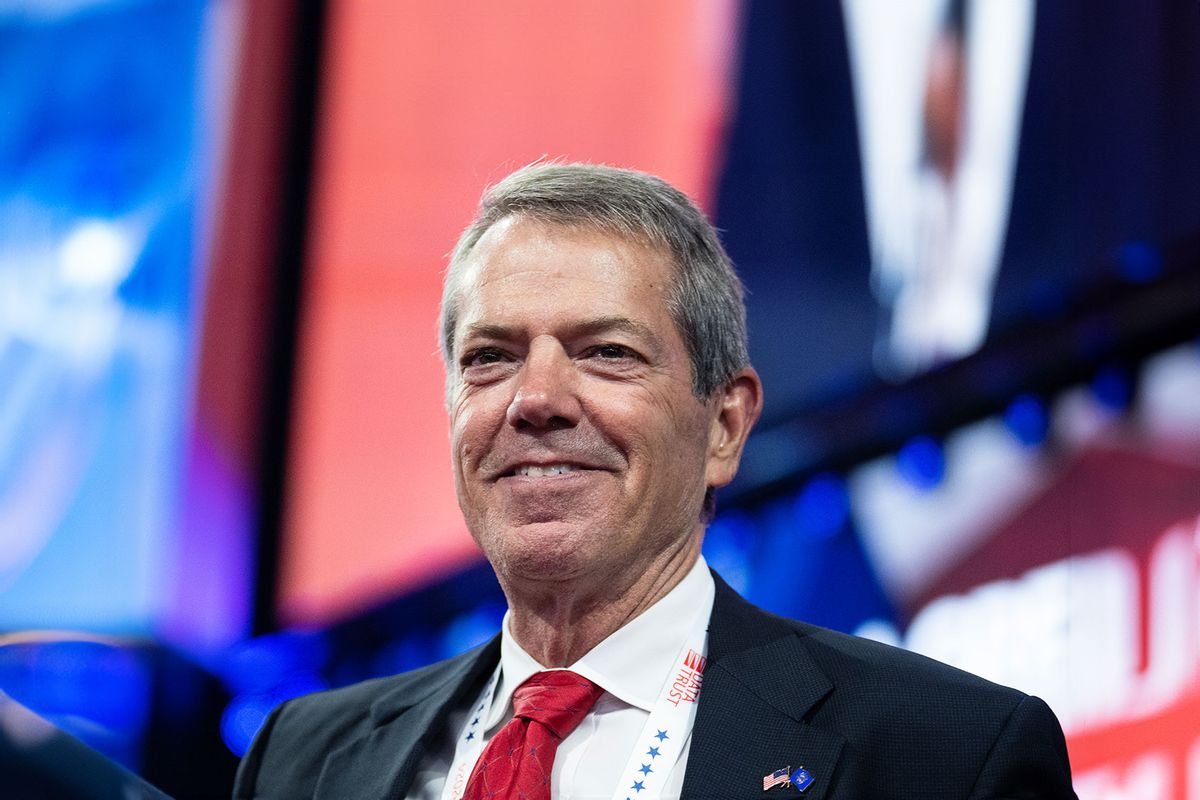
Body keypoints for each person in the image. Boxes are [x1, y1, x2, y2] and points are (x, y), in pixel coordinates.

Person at [233, 163, 1076, 799]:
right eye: (490, 358)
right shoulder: (302, 759)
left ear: (724, 425)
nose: (535, 401)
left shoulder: (950, 755)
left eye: (607, 353)